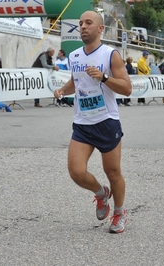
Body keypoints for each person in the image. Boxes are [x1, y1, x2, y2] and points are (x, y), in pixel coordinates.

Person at [53, 11, 132, 233]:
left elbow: (127, 89)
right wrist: (62, 90)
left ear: (100, 29)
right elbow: (75, 82)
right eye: (80, 24)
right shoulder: (74, 56)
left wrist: (104, 77)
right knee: (76, 171)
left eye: (88, 23)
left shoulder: (110, 55)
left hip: (106, 121)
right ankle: (101, 193)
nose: (83, 27)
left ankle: (119, 212)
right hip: (82, 123)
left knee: (113, 172)